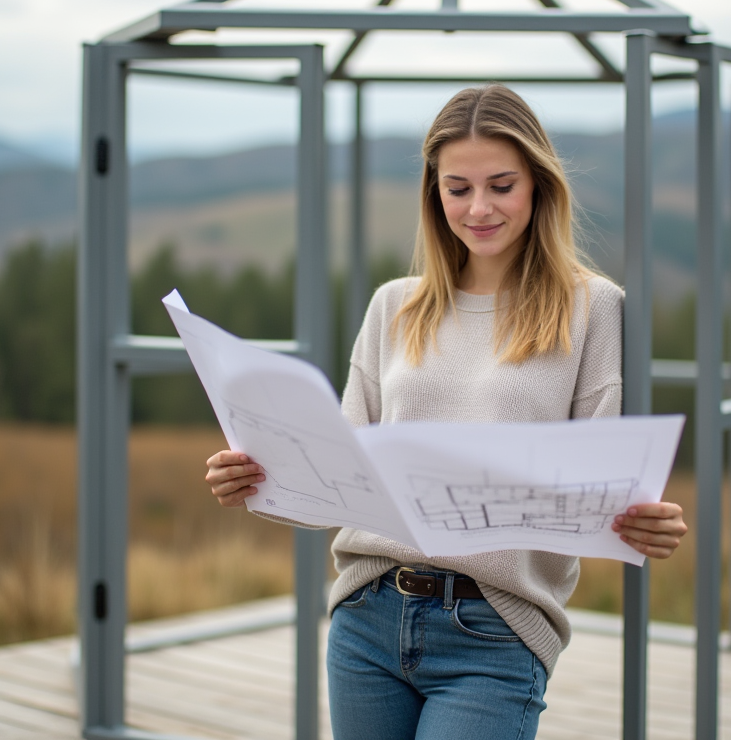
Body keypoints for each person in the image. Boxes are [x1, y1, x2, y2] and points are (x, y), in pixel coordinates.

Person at [205, 84, 687, 740]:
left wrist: (642, 523)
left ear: (539, 185)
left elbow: (599, 488)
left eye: (501, 185)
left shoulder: (593, 307)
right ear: (434, 193)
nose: (479, 207)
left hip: (493, 631)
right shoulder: (393, 306)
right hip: (367, 618)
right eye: (457, 188)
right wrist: (258, 482)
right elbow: (340, 477)